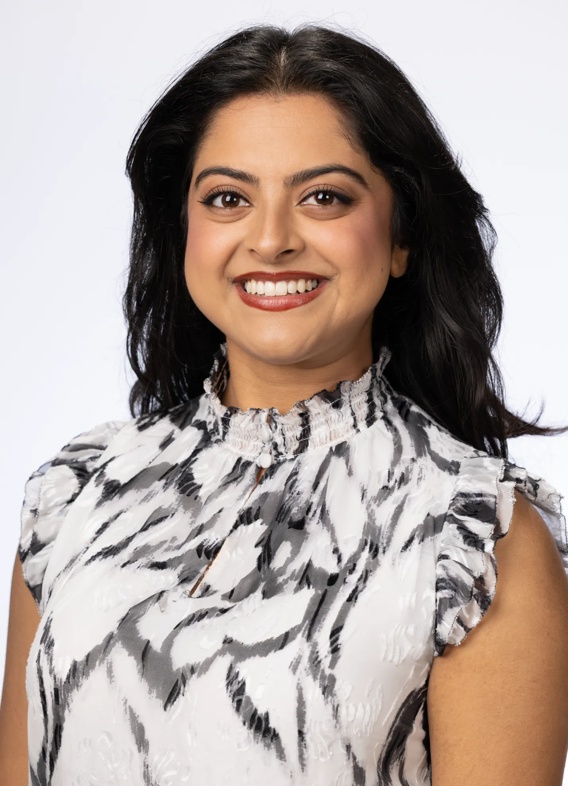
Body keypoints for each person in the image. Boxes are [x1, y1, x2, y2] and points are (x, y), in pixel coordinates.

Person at [1, 22, 567, 786]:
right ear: (184, 234)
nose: (270, 240)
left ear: (401, 238)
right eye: (229, 198)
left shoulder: (472, 540)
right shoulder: (75, 500)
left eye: (324, 198)